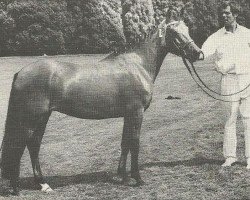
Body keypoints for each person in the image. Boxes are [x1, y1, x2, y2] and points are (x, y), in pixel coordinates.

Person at [201, 1, 250, 168]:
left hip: (247, 79)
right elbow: (202, 53)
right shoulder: (216, 36)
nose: (224, 16)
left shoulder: (247, 33)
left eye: (227, 13)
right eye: (222, 14)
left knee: (248, 119)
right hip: (228, 80)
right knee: (229, 119)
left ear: (235, 14)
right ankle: (230, 157)